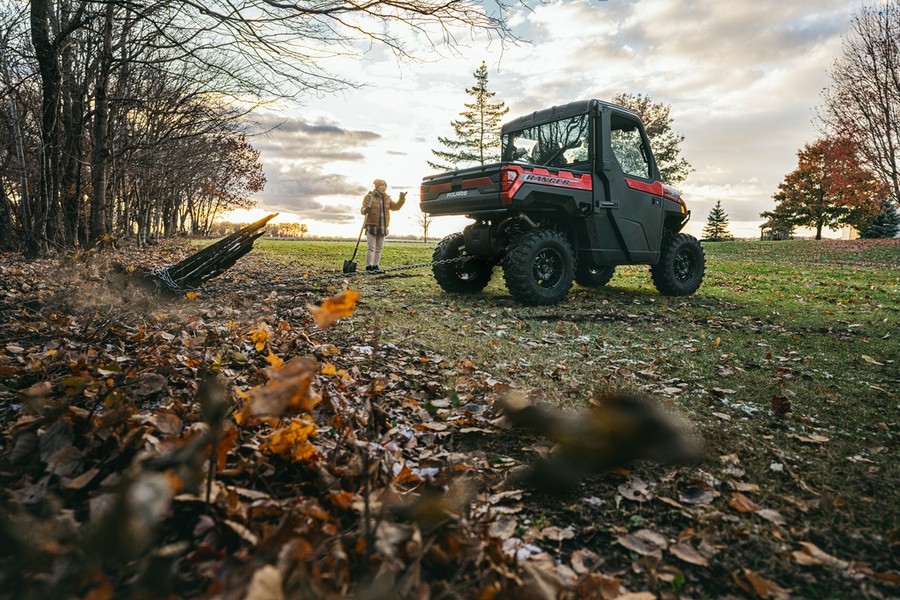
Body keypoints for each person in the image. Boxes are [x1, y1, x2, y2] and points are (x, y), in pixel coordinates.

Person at [360, 179, 406, 271]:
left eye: (385, 186)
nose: (384, 187)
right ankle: (369, 267)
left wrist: (402, 199)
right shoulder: (369, 197)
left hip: (383, 226)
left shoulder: (387, 198)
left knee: (379, 248)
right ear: (377, 187)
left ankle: (376, 266)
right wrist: (365, 210)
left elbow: (396, 207)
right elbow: (362, 209)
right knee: (371, 247)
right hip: (371, 225)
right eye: (382, 185)